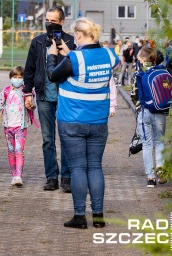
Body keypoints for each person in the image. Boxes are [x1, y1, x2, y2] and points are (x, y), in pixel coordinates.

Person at [47, 17, 119, 229]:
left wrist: (52, 56)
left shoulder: (74, 58)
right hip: (98, 121)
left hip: (72, 122)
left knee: (78, 167)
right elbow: (93, 64)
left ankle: (80, 216)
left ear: (78, 35)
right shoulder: (109, 55)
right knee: (95, 166)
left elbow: (53, 75)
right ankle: (98, 216)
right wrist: (71, 54)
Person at [23, 6, 75, 192]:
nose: (49, 24)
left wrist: (66, 52)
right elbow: (29, 69)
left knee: (67, 137)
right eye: (47, 20)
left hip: (65, 97)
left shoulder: (71, 42)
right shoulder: (37, 42)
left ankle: (67, 177)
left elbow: (77, 67)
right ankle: (51, 177)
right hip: (44, 96)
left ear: (62, 22)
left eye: (53, 21)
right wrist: (27, 93)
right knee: (47, 139)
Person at [130, 47, 167, 188]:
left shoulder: (139, 74)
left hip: (144, 112)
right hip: (160, 111)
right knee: (160, 142)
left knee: (147, 144)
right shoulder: (162, 71)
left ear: (144, 59)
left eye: (139, 58)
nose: (138, 60)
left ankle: (151, 178)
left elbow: (134, 95)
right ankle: (161, 168)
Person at [0, 66, 35, 186]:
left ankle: (18, 176)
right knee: (11, 151)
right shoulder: (6, 91)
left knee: (19, 151)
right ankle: (13, 175)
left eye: (20, 77)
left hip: (21, 126)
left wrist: (30, 105)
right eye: (15, 77)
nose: (17, 79)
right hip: (8, 126)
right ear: (11, 78)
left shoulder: (27, 92)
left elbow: (33, 104)